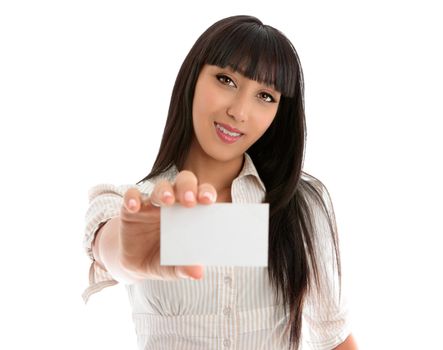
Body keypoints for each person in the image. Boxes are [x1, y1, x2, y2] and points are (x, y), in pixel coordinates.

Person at [82, 15, 358, 350]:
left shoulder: (300, 206)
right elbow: (112, 244)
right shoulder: (135, 204)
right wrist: (125, 251)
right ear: (193, 78)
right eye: (226, 79)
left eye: (265, 96)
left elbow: (334, 337)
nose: (239, 111)